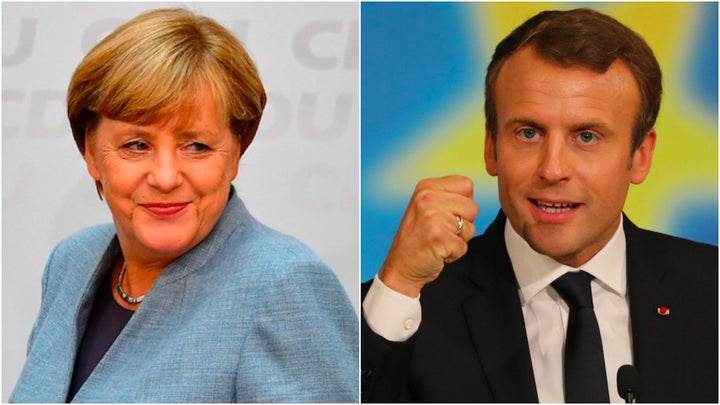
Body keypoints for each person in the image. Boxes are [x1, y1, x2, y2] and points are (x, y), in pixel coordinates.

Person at [361, 8, 717, 403]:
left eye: (586, 137)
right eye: (528, 133)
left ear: (640, 156)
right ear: (491, 147)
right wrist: (398, 286)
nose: (552, 169)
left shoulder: (710, 289)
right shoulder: (406, 309)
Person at [10, 8, 357, 403]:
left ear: (235, 154)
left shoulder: (283, 287)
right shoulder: (71, 261)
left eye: (196, 146)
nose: (165, 176)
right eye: (136, 145)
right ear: (91, 152)